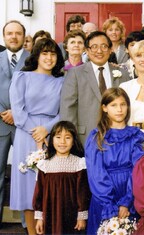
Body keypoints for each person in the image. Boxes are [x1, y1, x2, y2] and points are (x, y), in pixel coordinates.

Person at [9, 38, 64, 235]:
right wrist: (37, 131)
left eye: (53, 53)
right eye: (44, 53)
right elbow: (18, 109)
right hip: (26, 135)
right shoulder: (22, 77)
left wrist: (47, 129)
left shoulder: (62, 81)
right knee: (28, 187)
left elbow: (64, 110)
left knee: (51, 185)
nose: (49, 58)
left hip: (53, 134)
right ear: (37, 56)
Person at [85, 87, 144, 234]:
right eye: (114, 105)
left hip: (131, 193)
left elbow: (139, 172)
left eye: (123, 104)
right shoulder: (96, 137)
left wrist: (127, 202)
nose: (119, 109)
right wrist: (110, 205)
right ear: (105, 108)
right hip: (104, 198)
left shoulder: (138, 137)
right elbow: (96, 174)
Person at [60, 31, 131, 145]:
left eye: (104, 46)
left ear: (110, 49)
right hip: (85, 138)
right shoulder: (75, 73)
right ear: (87, 51)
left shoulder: (122, 74)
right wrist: (70, 137)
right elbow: (68, 108)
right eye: (94, 47)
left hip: (118, 138)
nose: (99, 51)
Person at [33, 121, 90, 235]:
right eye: (58, 137)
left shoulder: (79, 163)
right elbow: (39, 193)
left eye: (67, 137)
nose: (62, 142)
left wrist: (81, 216)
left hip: (72, 216)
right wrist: (40, 218)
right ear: (52, 139)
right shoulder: (45, 165)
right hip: (51, 215)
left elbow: (83, 193)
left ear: (74, 141)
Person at [0, 20, 29, 227]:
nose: (13, 37)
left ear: (24, 36)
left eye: (18, 33)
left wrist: (16, 114)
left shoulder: (34, 59)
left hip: (24, 126)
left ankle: (26, 223)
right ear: (4, 36)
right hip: (0, 124)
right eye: (9, 33)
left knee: (26, 172)